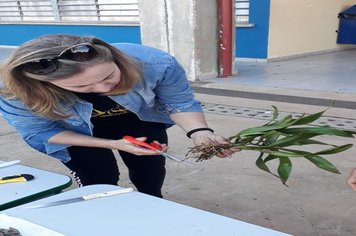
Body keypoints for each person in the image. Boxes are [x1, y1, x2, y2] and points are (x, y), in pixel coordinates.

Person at [0, 34, 236, 198]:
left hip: (136, 119)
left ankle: (151, 200)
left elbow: (179, 102)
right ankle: (106, 209)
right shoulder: (16, 90)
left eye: (108, 77)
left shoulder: (153, 63)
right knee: (98, 176)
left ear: (114, 58)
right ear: (46, 84)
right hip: (74, 132)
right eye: (82, 87)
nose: (103, 89)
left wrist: (201, 133)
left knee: (150, 168)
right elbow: (41, 132)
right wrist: (112, 144)